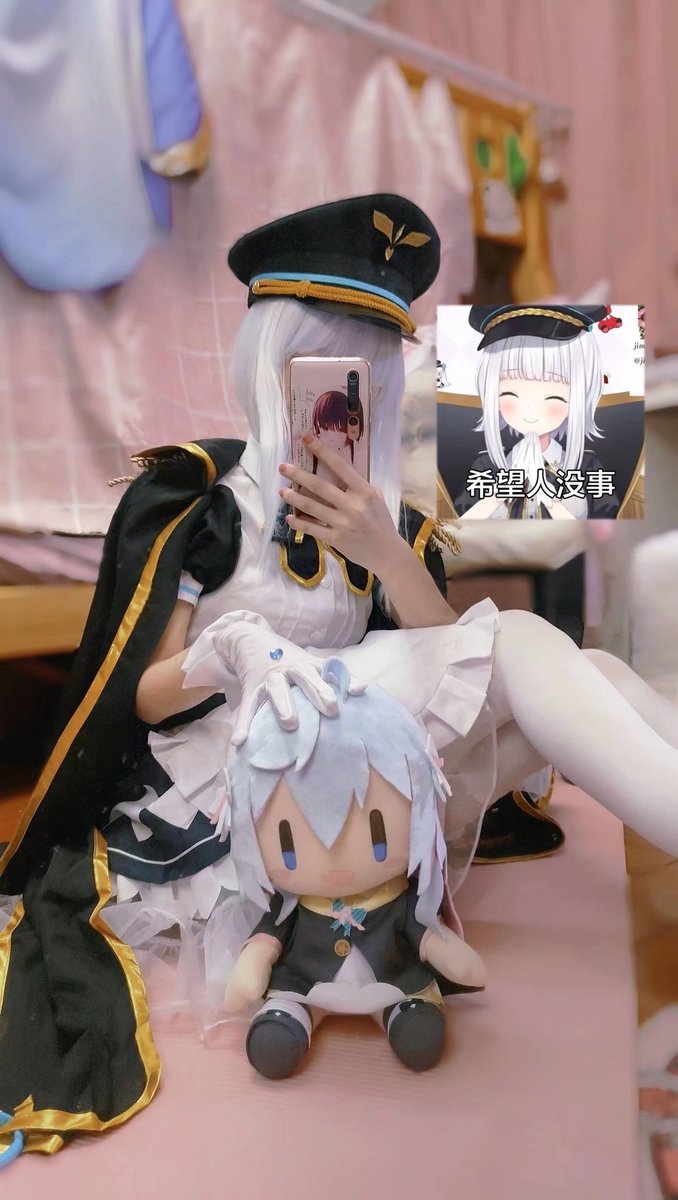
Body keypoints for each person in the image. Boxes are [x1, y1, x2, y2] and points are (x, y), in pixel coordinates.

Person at [1, 195, 676, 1154]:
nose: (346, 393)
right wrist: (234, 650)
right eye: (326, 361)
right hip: (242, 793)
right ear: (271, 359)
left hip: (356, 771)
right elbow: (142, 695)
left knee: (588, 660)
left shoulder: (382, 517)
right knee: (528, 639)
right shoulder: (206, 506)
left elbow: (452, 657)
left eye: (369, 367)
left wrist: (385, 552)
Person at [456, 305, 620, 520]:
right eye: (511, 394)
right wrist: (503, 491)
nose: (530, 409)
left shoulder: (588, 466)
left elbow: (606, 526)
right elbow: (457, 526)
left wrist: (550, 500)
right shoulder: (486, 466)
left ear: (577, 398)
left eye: (552, 397)